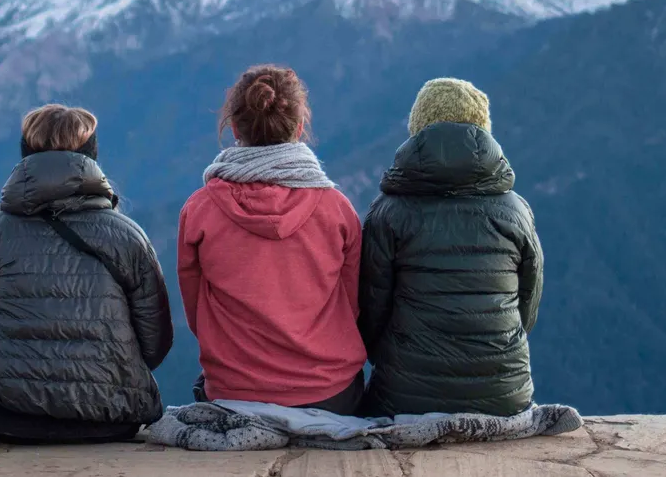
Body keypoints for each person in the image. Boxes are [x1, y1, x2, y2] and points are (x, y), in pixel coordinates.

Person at [0, 103, 174, 443]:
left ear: (25, 155)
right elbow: (155, 343)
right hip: (110, 414)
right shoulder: (128, 237)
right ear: (91, 157)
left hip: (4, 414)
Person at [178, 65, 367, 413]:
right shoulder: (337, 209)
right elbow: (352, 304)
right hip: (330, 393)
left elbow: (196, 311)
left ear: (234, 128)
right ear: (298, 128)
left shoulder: (200, 209)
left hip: (234, 394)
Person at [359, 78, 543, 417]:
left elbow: (370, 314)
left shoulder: (389, 210)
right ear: (483, 129)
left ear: (417, 129)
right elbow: (526, 309)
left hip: (405, 400)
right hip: (506, 397)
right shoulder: (516, 210)